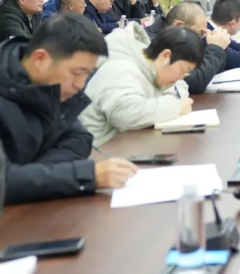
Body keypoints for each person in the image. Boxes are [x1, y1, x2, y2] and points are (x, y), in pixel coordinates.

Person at [0, 13, 138, 205]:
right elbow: (4, 182)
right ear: (40, 59)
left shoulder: (51, 86)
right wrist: (84, 175)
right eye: (77, 73)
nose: (80, 85)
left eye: (87, 74)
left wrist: (33, 175)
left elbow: (79, 138)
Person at [81, 25, 202, 145]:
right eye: (183, 70)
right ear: (165, 56)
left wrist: (172, 103)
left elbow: (180, 87)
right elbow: (126, 115)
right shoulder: (121, 69)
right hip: (98, 151)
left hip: (124, 147)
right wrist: (175, 106)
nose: (181, 77)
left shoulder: (152, 67)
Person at [147, 2, 230, 95]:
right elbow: (193, 81)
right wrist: (216, 48)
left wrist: (218, 47)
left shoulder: (176, 39)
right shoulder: (151, 41)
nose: (201, 39)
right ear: (179, 26)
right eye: (199, 34)